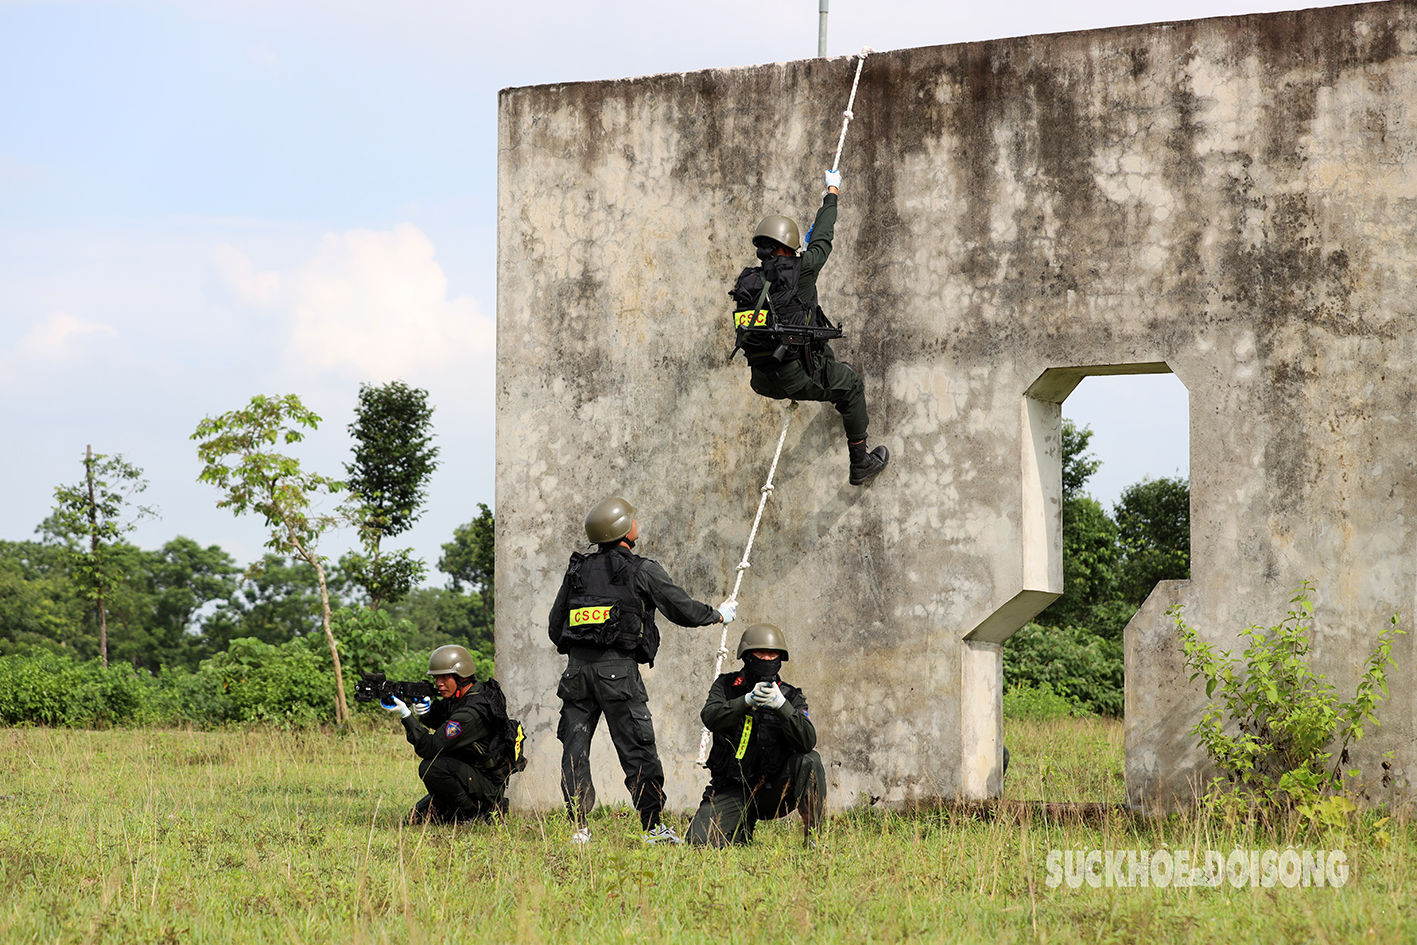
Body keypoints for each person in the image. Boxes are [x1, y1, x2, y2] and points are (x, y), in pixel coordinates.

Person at [548, 495, 737, 845]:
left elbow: (554, 626)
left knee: (575, 749)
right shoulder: (641, 569)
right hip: (618, 673)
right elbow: (680, 608)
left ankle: (580, 829)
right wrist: (718, 614)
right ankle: (652, 827)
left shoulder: (577, 570)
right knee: (637, 746)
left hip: (575, 673)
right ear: (624, 529)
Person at [730, 168, 889, 486]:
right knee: (851, 385)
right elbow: (823, 238)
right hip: (796, 376)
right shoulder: (802, 270)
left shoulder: (748, 280)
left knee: (828, 366)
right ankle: (860, 463)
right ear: (788, 246)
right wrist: (832, 193)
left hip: (761, 380)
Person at [687, 623, 825, 848]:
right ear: (747, 656)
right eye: (761, 653)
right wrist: (745, 701)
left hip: (775, 791)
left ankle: (814, 840)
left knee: (810, 760)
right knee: (698, 842)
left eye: (773, 654)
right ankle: (741, 827)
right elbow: (710, 717)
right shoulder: (726, 685)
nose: (767, 659)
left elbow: (808, 741)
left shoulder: (791, 696)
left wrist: (782, 706)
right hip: (733, 787)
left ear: (781, 658)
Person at [381, 644, 515, 825]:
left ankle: (474, 814)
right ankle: (466, 808)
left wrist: (406, 715)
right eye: (436, 678)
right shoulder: (471, 694)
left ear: (461, 676)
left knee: (431, 767)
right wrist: (425, 713)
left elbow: (430, 748)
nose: (439, 683)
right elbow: (443, 720)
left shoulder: (470, 713)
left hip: (485, 783)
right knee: (415, 819)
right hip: (470, 776)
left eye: (445, 677)